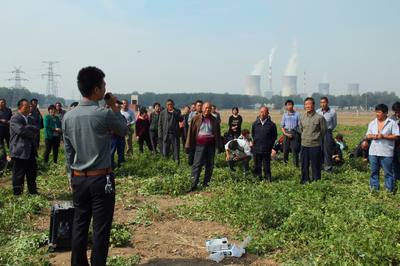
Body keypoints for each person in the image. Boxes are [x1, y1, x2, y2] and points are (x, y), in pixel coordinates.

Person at [63, 66, 128, 266]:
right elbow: (124, 130)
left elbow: (69, 152)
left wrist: (70, 176)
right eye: (103, 85)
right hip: (101, 179)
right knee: (100, 229)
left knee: (80, 224)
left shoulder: (68, 116)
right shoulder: (103, 114)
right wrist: (114, 107)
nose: (105, 88)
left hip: (78, 178)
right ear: (97, 90)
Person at [186, 102, 222, 191]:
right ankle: (193, 185)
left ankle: (206, 184)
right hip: (199, 145)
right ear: (202, 108)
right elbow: (191, 133)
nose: (207, 110)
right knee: (197, 165)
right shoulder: (196, 119)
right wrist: (188, 145)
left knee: (210, 165)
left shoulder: (214, 120)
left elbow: (217, 133)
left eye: (209, 108)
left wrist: (219, 145)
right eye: (206, 108)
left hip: (210, 146)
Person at [366, 104, 399, 192]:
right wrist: (373, 136)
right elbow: (367, 135)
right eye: (376, 112)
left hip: (386, 152)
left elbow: (396, 136)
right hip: (373, 152)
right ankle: (374, 189)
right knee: (374, 172)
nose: (377, 114)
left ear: (385, 113)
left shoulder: (392, 123)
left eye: (379, 112)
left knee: (388, 173)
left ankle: (389, 190)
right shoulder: (372, 123)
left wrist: (384, 136)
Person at [10, 99, 40, 195]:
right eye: (26, 107)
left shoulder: (30, 118)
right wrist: (29, 129)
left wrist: (27, 127)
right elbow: (21, 131)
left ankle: (33, 192)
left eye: (29, 107)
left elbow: (37, 129)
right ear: (20, 107)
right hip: (19, 151)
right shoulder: (15, 118)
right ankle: (18, 194)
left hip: (30, 150)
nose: (28, 109)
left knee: (32, 173)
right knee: (19, 174)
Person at [299, 97, 327, 184]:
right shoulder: (302, 117)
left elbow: (323, 131)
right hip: (304, 145)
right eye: (306, 104)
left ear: (313, 105)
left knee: (316, 165)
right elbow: (301, 129)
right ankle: (305, 180)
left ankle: (316, 181)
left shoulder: (320, 118)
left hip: (315, 145)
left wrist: (316, 138)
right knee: (304, 165)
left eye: (309, 104)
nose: (307, 106)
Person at [251, 106, 277, 181]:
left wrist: (270, 146)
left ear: (268, 113)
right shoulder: (255, 124)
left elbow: (274, 137)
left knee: (266, 165)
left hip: (266, 148)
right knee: (257, 164)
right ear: (259, 113)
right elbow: (253, 134)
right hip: (256, 148)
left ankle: (267, 177)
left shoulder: (272, 125)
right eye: (261, 112)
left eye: (264, 112)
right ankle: (257, 177)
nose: (262, 114)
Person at [317, 97, 337, 172]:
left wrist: (329, 130)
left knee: (327, 150)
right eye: (321, 102)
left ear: (327, 102)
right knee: (319, 149)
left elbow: (334, 124)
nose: (323, 104)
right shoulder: (318, 111)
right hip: (319, 133)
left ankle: (328, 168)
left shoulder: (332, 112)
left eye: (324, 102)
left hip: (327, 132)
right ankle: (320, 167)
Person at [281, 99, 301, 167]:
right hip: (286, 133)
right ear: (286, 106)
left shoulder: (297, 114)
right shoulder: (285, 115)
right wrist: (285, 133)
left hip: (294, 132)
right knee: (285, 150)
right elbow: (282, 126)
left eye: (290, 104)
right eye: (288, 105)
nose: (289, 106)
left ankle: (296, 166)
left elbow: (299, 125)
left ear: (293, 105)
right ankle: (285, 165)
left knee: (295, 150)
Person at [110, 101, 126, 169]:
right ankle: (111, 167)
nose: (118, 108)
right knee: (111, 153)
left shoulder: (122, 116)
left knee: (121, 153)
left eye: (119, 107)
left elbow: (125, 125)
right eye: (117, 107)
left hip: (121, 137)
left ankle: (121, 167)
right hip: (112, 138)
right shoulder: (110, 116)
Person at [0, 99, 12, 170]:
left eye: (4, 102)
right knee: (1, 145)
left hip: (7, 129)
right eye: (1, 102)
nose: (2, 103)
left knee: (10, 143)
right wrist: (1, 120)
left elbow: (11, 117)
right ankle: (3, 159)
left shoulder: (8, 110)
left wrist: (9, 121)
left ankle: (12, 157)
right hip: (0, 129)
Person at [390, 102, 400, 180]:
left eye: (398, 111)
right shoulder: (391, 119)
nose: (397, 113)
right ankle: (396, 178)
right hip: (394, 144)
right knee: (394, 162)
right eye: (395, 111)